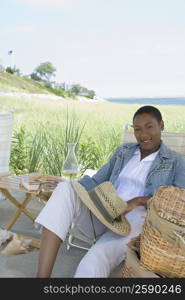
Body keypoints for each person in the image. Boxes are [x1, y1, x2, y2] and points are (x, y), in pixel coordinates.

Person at [35, 105, 185, 277]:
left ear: (161, 125)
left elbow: (178, 203)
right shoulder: (124, 152)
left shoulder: (176, 161)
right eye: (137, 129)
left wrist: (137, 201)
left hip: (136, 220)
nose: (143, 135)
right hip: (105, 209)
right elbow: (97, 181)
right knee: (65, 188)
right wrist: (68, 183)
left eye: (149, 127)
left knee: (93, 261)